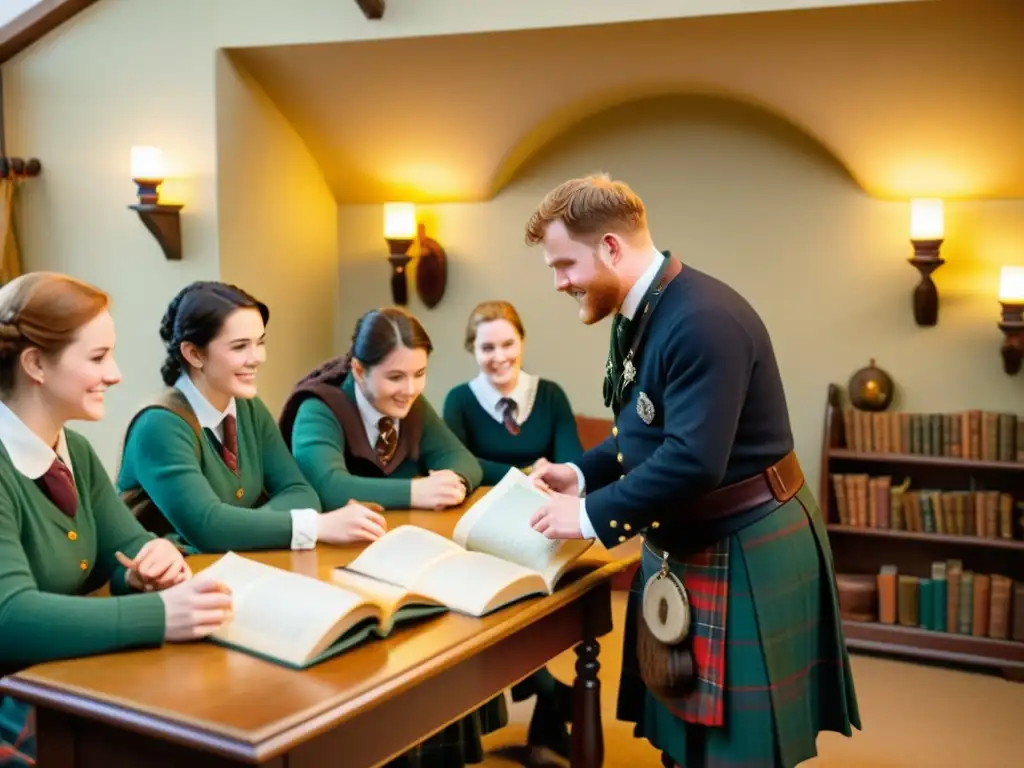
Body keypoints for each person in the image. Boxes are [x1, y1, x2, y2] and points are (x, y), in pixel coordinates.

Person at [522, 175, 861, 767]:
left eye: (564, 265)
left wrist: (585, 516)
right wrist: (579, 474)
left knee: (739, 756)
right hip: (686, 538)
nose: (560, 283)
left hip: (748, 544)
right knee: (686, 747)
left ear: (609, 246)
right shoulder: (639, 313)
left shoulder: (703, 319)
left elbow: (692, 461)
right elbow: (643, 433)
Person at [0, 273, 232, 767]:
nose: (116, 374)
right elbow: (10, 617)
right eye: (98, 357)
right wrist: (164, 614)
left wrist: (155, 561)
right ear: (36, 364)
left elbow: (123, 550)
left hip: (60, 689)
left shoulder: (75, 452)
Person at [279, 307, 504, 768]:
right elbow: (327, 485)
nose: (411, 389)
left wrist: (454, 481)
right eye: (396, 376)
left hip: (402, 561)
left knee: (450, 635)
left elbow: (466, 464)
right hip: (332, 570)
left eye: (420, 374)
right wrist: (417, 490)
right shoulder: (319, 408)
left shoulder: (413, 406)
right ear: (359, 369)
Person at [117, 282, 386, 555]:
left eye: (260, 343)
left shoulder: (247, 407)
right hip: (171, 586)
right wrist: (315, 526)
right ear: (194, 354)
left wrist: (243, 529)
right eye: (240, 347)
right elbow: (209, 528)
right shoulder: (159, 425)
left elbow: (300, 492)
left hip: (231, 570)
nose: (257, 358)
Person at [442, 300, 579, 758]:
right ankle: (548, 695)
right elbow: (461, 463)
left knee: (534, 608)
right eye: (486, 347)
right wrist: (525, 469)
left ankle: (545, 699)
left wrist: (550, 471)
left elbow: (571, 458)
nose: (498, 356)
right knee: (496, 609)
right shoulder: (460, 401)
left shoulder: (551, 394)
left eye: (507, 343)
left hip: (542, 522)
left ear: (521, 342)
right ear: (472, 350)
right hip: (483, 527)